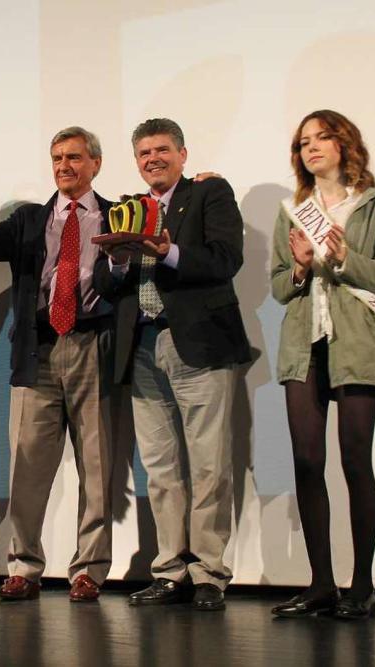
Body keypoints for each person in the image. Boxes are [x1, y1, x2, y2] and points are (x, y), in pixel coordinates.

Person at [0, 127, 113, 602]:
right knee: (28, 466)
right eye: (57, 157)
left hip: (92, 344)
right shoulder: (30, 221)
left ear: (95, 163)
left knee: (96, 467)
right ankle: (24, 565)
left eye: (74, 157)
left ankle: (88, 571)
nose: (64, 166)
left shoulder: (118, 215)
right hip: (37, 349)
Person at [94, 118, 251, 611]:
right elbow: (105, 280)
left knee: (208, 466)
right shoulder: (126, 210)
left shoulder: (210, 194)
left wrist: (170, 251)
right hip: (140, 347)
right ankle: (168, 570)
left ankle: (208, 573)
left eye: (162, 150)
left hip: (197, 344)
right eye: (144, 153)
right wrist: (118, 261)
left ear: (183, 154)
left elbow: (227, 259)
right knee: (159, 469)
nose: (153, 159)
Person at [270, 109, 375, 619]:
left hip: (357, 343)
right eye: (304, 141)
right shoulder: (293, 209)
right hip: (305, 343)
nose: (313, 147)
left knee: (354, 461)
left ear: (345, 143)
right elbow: (281, 285)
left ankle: (363, 587)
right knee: (307, 462)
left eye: (323, 137)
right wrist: (301, 266)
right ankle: (321, 583)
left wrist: (344, 256)